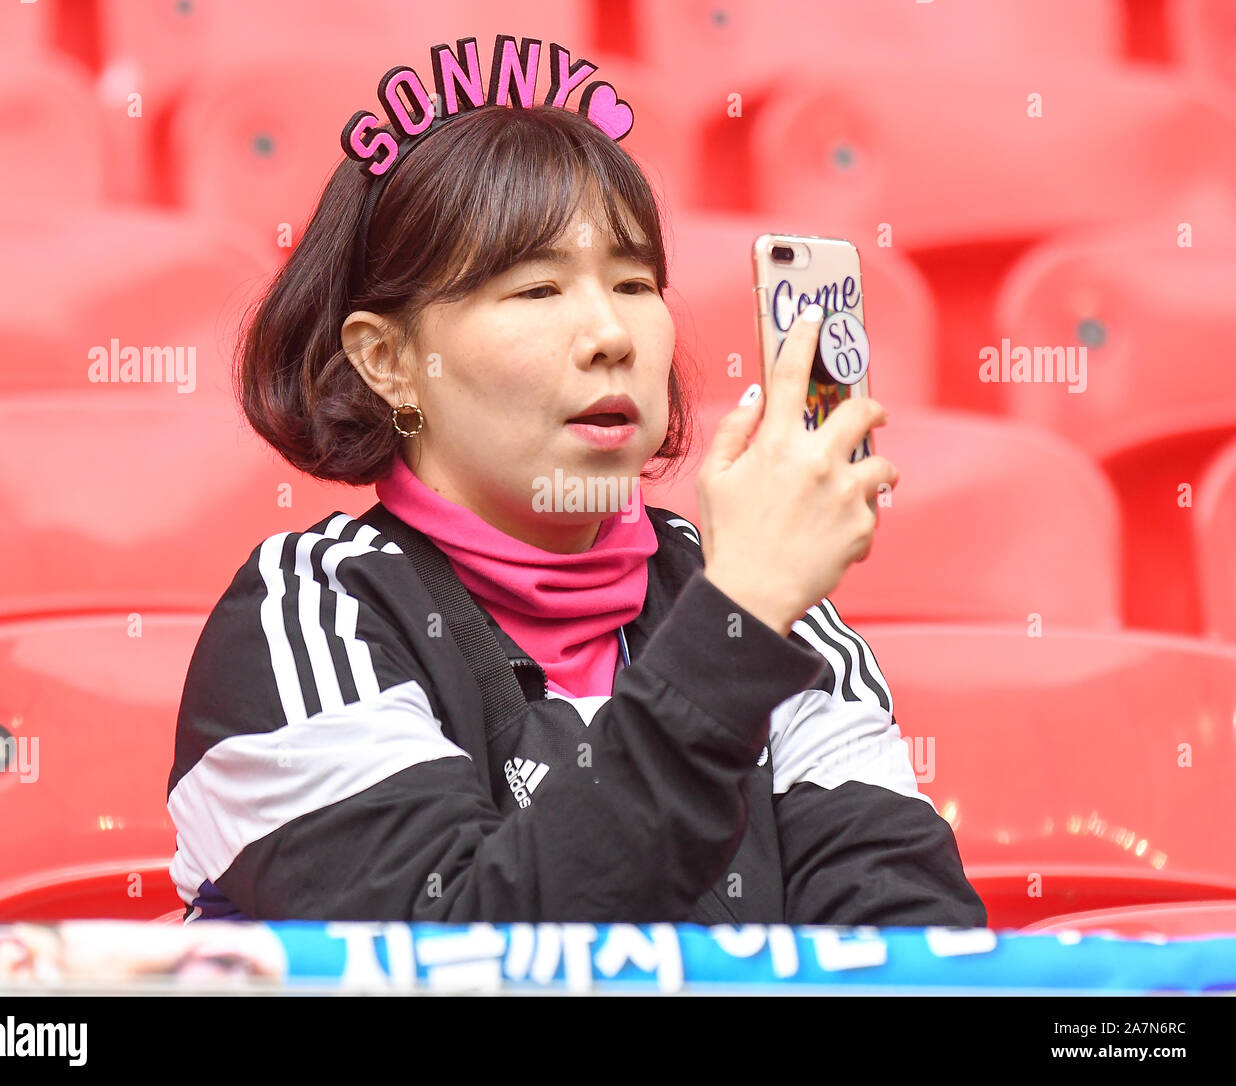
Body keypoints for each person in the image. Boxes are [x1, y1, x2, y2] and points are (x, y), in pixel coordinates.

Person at [166, 70, 986, 927]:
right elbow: (452, 955)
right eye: (537, 290)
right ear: (388, 361)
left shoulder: (772, 607)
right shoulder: (310, 611)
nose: (610, 336)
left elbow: (911, 946)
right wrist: (737, 624)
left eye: (634, 285)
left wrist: (748, 614)